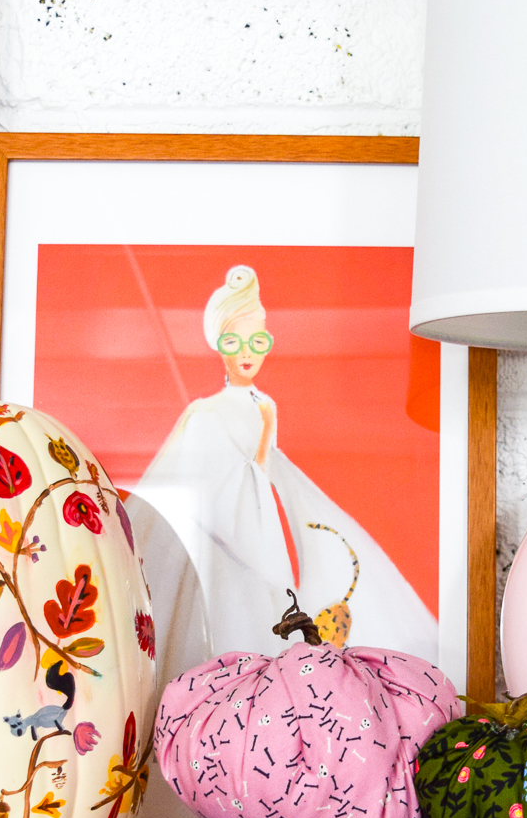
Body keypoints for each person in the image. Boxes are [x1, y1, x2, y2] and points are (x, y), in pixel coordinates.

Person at [130, 265, 438, 661]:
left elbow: (262, 470)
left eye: (257, 341)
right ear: (219, 344)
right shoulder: (204, 412)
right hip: (223, 543)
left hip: (259, 534)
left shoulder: (266, 407)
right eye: (234, 341)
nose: (246, 352)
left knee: (262, 623)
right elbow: (203, 485)